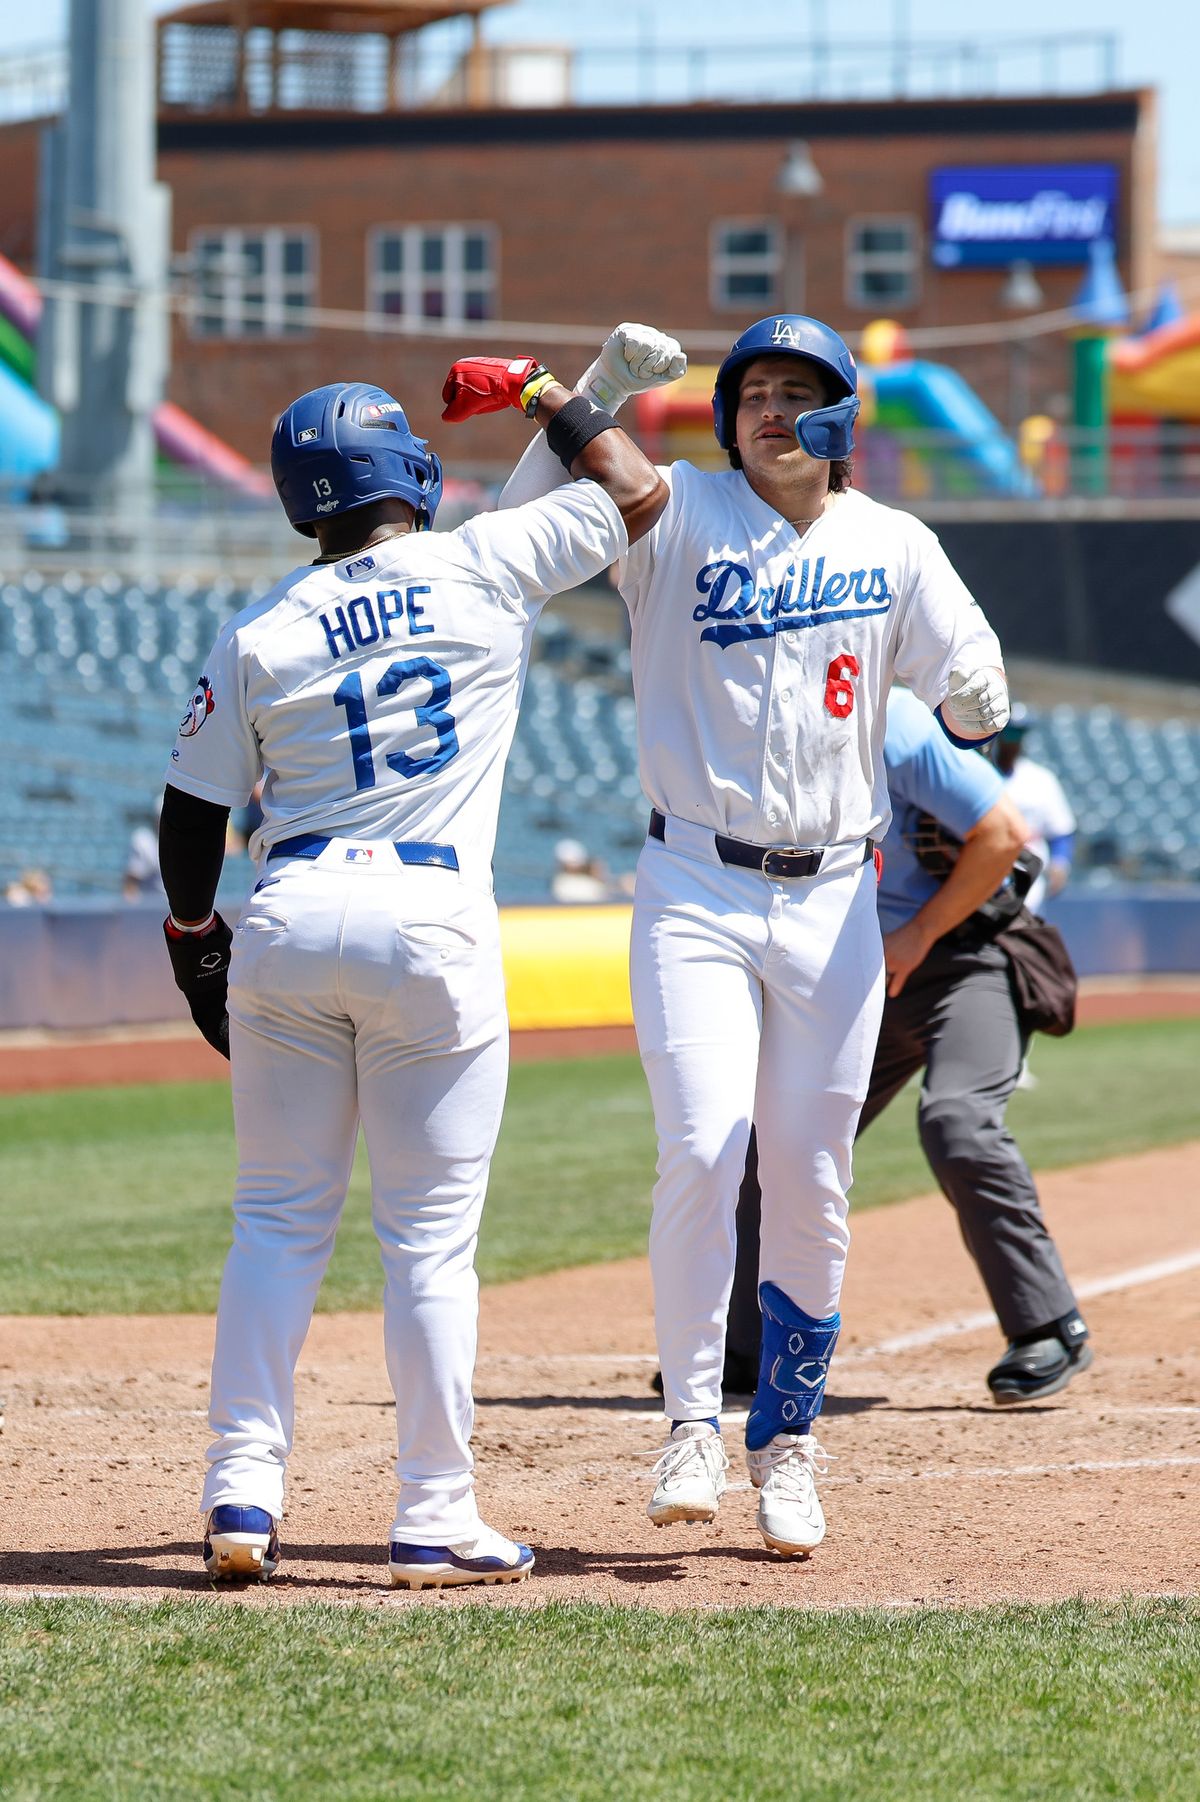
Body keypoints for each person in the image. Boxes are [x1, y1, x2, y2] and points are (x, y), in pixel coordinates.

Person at [499, 316, 1010, 1558]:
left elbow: (973, 675)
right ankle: (688, 1423)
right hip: (694, 884)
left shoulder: (895, 542)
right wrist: (598, 391)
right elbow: (507, 547)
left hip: (835, 894)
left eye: (800, 391)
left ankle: (788, 1442)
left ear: (843, 416)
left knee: (812, 1169)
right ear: (726, 414)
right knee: (702, 1147)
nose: (773, 409)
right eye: (754, 391)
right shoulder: (673, 513)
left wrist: (976, 685)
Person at [158, 353, 669, 1588]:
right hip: (431, 912)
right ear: (414, 476)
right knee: (428, 1239)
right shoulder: (485, 560)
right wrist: (553, 388)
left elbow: (187, 814)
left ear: (301, 500)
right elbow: (639, 491)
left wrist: (195, 944)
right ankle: (435, 1509)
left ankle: (241, 1493)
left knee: (277, 1223)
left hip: (288, 905)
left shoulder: (265, 626)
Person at [729, 685, 1092, 1409]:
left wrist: (919, 934)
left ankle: (1048, 1326)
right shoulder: (747, 721)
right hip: (851, 972)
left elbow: (1003, 834)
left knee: (957, 1122)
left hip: (961, 962)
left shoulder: (891, 719)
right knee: (769, 1145)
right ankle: (742, 1350)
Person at [992, 705, 1075, 911]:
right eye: (1009, 733)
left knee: (1024, 930)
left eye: (1018, 734)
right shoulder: (980, 772)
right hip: (986, 859)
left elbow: (1061, 831)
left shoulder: (1040, 779)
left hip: (1028, 866)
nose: (1012, 741)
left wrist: (1060, 862)